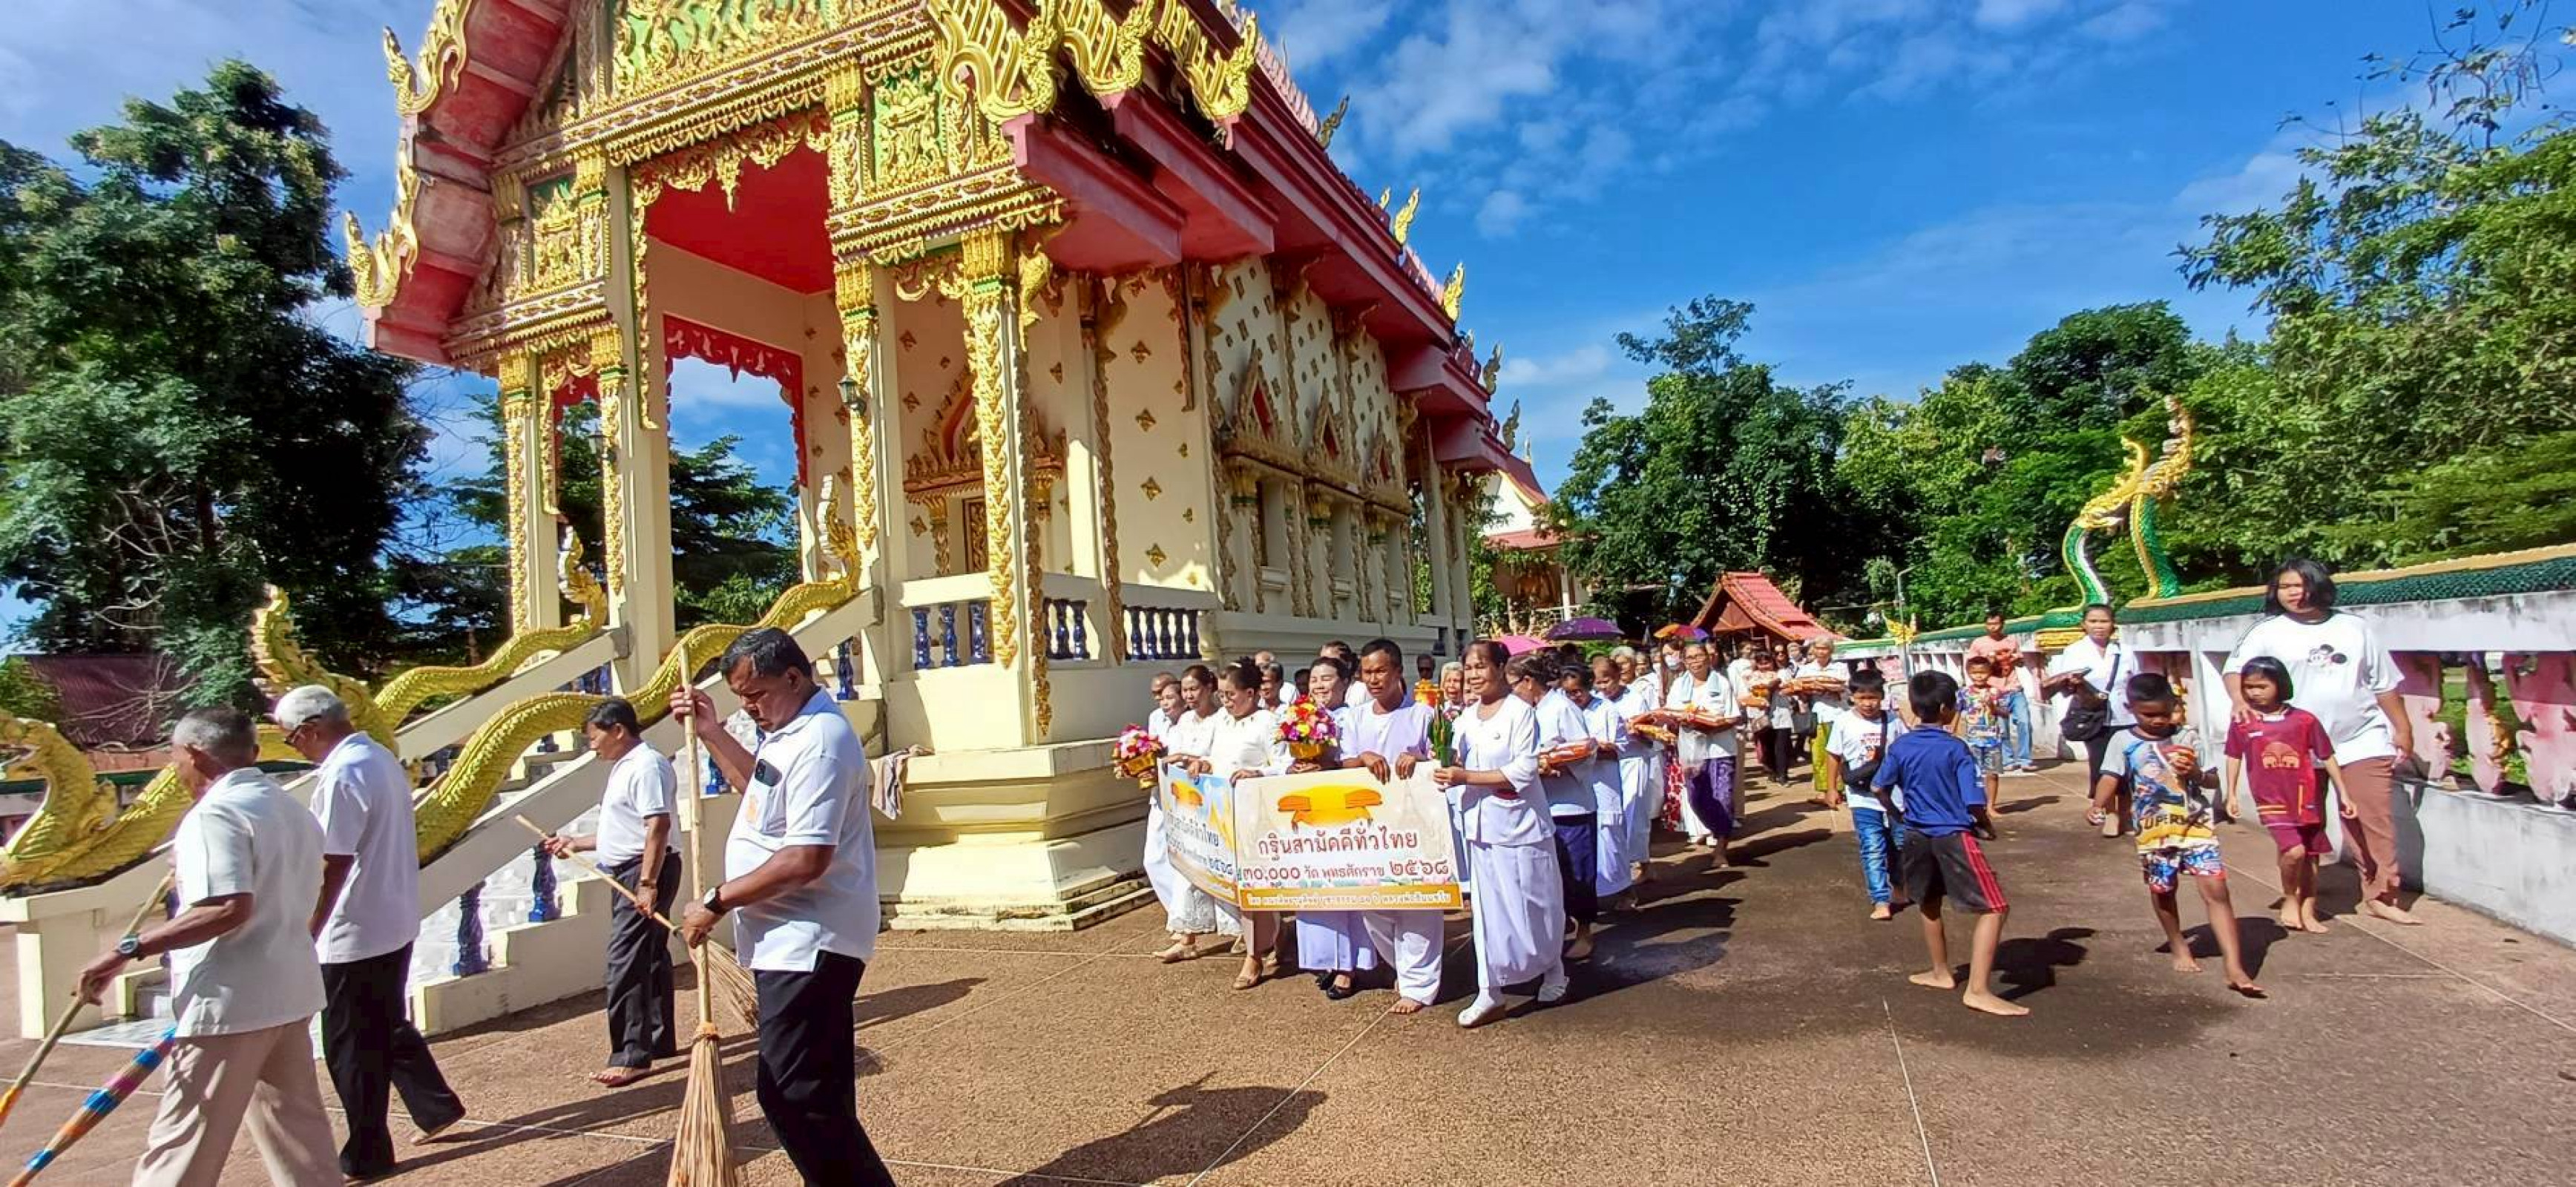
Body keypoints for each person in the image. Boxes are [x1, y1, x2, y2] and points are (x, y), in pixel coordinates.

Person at [672, 628, 896, 1186]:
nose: (751, 709)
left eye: (758, 695)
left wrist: (716, 901)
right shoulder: (789, 730)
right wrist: (712, 732)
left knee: (795, 1098)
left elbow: (806, 858)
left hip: (810, 939)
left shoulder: (821, 740)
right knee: (816, 1094)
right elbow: (763, 791)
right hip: (787, 939)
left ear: (794, 678)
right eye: (741, 700)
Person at [80, 708, 338, 1187]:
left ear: (195, 754)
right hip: (289, 989)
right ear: (253, 754)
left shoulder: (215, 814)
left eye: (176, 757)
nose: (176, 769)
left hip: (229, 1002)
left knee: (183, 1146)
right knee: (301, 1141)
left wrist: (127, 950)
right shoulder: (292, 811)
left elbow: (227, 908)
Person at [273, 685, 466, 1180]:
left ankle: (368, 1148)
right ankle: (434, 1103)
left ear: (313, 729)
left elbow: (331, 863)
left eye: (293, 738)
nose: (294, 747)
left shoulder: (343, 774)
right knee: (382, 1021)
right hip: (391, 916)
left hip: (353, 928)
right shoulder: (377, 757)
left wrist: (309, 927)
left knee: (350, 1045)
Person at [2222, 559, 2421, 925]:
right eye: (2285, 587)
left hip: (2360, 737)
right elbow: (2235, 671)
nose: (2293, 594)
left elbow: (2384, 684)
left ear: (2320, 585)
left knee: (2372, 817)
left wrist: (2402, 727)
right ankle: (2299, 898)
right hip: (2295, 745)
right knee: (2304, 825)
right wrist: (2238, 700)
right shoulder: (2267, 631)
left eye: (2300, 585)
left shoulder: (2355, 628)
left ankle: (2382, 893)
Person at [540, 698, 681, 1088]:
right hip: (635, 865)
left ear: (618, 730)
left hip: (646, 868)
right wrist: (575, 843)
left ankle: (631, 1054)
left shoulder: (647, 765)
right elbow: (622, 832)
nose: (592, 746)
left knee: (626, 959)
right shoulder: (626, 767)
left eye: (595, 737)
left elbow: (657, 826)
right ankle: (656, 1039)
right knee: (649, 955)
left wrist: (648, 883)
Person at [2096, 674, 2264, 996]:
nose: (2158, 721)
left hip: (2196, 826)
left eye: (2164, 713)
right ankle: (2177, 943)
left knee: (2216, 889)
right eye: (2149, 715)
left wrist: (2196, 774)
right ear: (2130, 709)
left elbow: (2212, 781)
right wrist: (2098, 806)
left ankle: (2234, 965)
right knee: (2163, 890)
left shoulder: (2188, 737)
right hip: (2154, 831)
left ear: (2174, 706)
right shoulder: (2122, 742)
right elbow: (2110, 776)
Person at [1434, 642, 1570, 1027]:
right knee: (1489, 914)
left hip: (1521, 827)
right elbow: (1452, 763)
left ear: (1500, 667)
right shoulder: (1462, 720)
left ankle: (1553, 968)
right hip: (1480, 829)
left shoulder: (1520, 714)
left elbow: (1522, 773)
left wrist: (1465, 777)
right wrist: (1441, 767)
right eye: (1469, 668)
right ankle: (1489, 990)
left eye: (1482, 666)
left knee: (1536, 905)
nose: (1475, 675)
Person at [1876, 672, 2023, 1017]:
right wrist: (1985, 826)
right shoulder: (1956, 748)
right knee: (1995, 907)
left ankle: (1941, 972)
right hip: (1953, 834)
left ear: (1915, 707)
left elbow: (1880, 788)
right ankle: (1978, 989)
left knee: (1928, 900)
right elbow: (1973, 802)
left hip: (1915, 832)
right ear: (1946, 709)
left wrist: (1897, 815)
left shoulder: (1901, 746)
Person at [1344, 639, 1446, 1013]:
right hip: (1369, 827)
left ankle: (1419, 985)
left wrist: (1417, 756)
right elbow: (1345, 764)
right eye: (1367, 672)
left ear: (1397, 671)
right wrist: (1365, 757)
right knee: (1374, 906)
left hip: (1415, 825)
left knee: (1417, 903)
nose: (1373, 679)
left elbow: (1443, 758)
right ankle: (1401, 967)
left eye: (1380, 671)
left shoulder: (1423, 714)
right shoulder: (1354, 717)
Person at [2224, 657, 2350, 935]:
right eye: (2248, 687)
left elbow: (2326, 756)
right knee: (2294, 852)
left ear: (2279, 685)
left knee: (2311, 853)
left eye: (2261, 686)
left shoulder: (2304, 720)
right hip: (2270, 799)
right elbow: (2234, 756)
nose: (2254, 693)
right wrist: (2231, 793)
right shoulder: (2243, 721)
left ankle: (2309, 908)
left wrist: (2344, 794)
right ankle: (2290, 897)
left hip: (2306, 795)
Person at [1186, 658, 1286, 990]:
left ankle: (1255, 954)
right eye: (1223, 695)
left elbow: (1285, 765)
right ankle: (1267, 937)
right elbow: (1217, 757)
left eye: (1232, 695)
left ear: (1252, 693)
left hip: (1256, 813)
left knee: (1255, 882)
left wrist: (1259, 773)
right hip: (1221, 813)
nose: (1226, 701)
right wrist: (1202, 763)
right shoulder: (1222, 723)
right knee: (1237, 884)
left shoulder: (1268, 723)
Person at [1290, 656, 1373, 999]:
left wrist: (1326, 764)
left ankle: (1348, 967)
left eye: (1327, 679)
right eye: (1314, 680)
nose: (1320, 686)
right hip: (1311, 815)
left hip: (1342, 813)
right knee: (1317, 889)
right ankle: (1327, 958)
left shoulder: (1354, 718)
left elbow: (1354, 760)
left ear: (1344, 683)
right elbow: (1283, 760)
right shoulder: (1298, 719)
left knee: (1347, 887)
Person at [1155, 665, 1241, 961]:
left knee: (1220, 864)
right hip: (1187, 804)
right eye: (1186, 691)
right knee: (1187, 867)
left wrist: (1194, 760)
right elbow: (1174, 755)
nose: (1189, 696)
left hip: (1215, 803)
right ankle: (1186, 936)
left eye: (1195, 689)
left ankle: (1241, 929)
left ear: (1209, 689)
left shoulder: (1223, 720)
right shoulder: (1183, 723)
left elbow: (1222, 757)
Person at [1536, 659, 1616, 960]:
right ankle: (1562, 926)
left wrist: (1558, 765)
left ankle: (1585, 932)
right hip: (1543, 806)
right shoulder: (1528, 711)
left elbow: (1585, 751)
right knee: (1554, 876)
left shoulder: (1562, 709)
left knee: (1578, 873)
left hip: (1572, 805)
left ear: (1530, 682)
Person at [2042, 602, 2136, 835]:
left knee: (2127, 767)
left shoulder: (2125, 651)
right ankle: (2109, 814)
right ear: (2084, 625)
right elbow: (2063, 688)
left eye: (2104, 621)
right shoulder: (2075, 651)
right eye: (2093, 621)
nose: (2099, 627)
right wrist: (2075, 684)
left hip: (2125, 715)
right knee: (2104, 767)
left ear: (2113, 624)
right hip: (2094, 717)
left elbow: (2136, 681)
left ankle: (2125, 815)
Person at [1830, 671, 1910, 921]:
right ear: (1851, 697)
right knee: (1872, 848)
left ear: (1882, 697)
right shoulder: (1843, 722)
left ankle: (1900, 888)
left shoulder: (1895, 721)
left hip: (1895, 798)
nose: (1868, 703)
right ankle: (1880, 899)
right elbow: (1834, 755)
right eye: (1862, 697)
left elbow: (1907, 754)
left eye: (1873, 697)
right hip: (1861, 798)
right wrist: (1832, 789)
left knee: (1900, 845)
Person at [1654, 641, 1741, 864]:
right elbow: (1672, 715)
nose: (1694, 661)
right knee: (1696, 798)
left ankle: (1721, 847)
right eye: (1689, 657)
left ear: (1708, 657)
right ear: (1684, 661)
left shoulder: (1721, 683)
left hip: (1720, 748)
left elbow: (1734, 717)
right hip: (1691, 750)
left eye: (1698, 656)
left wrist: (1710, 725)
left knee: (1723, 797)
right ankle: (1719, 827)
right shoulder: (1679, 686)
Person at [1967, 611, 2037, 773]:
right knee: (2002, 728)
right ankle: (2008, 759)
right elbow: (1971, 666)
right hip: (1994, 690)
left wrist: (2016, 660)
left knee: (2024, 722)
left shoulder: (2011, 641)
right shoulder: (1979, 644)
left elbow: (2020, 662)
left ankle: (2025, 759)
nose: (1993, 628)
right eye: (1990, 624)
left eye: (1996, 624)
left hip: (2014, 688)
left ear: (2002, 624)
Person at [1793, 638, 1850, 809]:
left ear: (1831, 651)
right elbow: (1798, 692)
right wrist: (1805, 692)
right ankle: (1823, 789)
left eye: (1825, 648)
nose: (1822, 652)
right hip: (1817, 715)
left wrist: (1830, 688)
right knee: (1818, 753)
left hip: (1838, 714)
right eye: (1818, 648)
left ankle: (1839, 788)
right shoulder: (1806, 670)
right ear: (1814, 650)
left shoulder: (1840, 668)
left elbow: (1846, 689)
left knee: (1838, 754)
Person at [1959, 655, 2008, 815]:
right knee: (1972, 774)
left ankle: (1991, 806)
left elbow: (2006, 713)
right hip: (1971, 740)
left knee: (1992, 773)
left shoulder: (1996, 692)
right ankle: (1974, 805)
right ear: (1968, 673)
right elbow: (1955, 713)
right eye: (1975, 673)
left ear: (1989, 673)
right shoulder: (1964, 693)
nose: (1979, 676)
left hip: (1992, 739)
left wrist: (1992, 706)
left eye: (1983, 672)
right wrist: (1951, 732)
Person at [1741, 650, 1798, 787]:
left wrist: (1771, 685)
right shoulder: (1752, 676)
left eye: (1767, 663)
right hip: (1762, 715)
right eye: (1761, 664)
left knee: (1782, 746)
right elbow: (1750, 690)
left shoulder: (1782, 673)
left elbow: (1784, 685)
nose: (1764, 666)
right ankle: (1772, 770)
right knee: (1767, 746)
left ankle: (1783, 775)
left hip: (1781, 712)